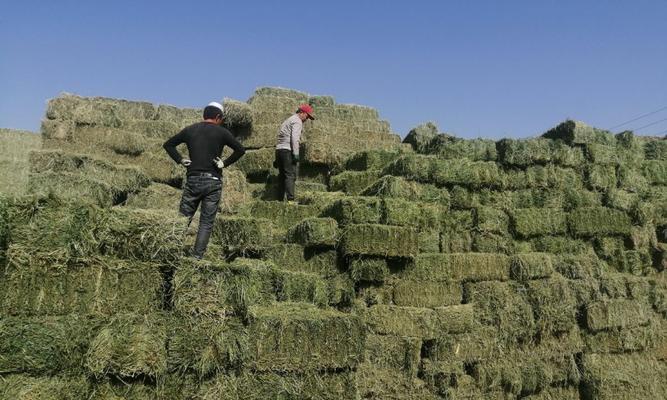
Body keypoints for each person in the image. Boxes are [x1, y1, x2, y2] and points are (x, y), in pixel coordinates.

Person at [163, 101, 246, 259]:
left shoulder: (190, 130)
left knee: (183, 219)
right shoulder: (222, 132)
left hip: (192, 180)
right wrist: (224, 163)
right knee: (206, 222)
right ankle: (196, 258)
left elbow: (168, 145)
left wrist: (180, 159)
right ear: (218, 117)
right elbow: (240, 150)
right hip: (212, 180)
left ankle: (172, 253)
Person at [274, 104, 315, 202]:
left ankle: (279, 200)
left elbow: (280, 136)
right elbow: (295, 139)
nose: (307, 119)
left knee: (282, 176)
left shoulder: (288, 120)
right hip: (287, 150)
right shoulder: (297, 121)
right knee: (290, 175)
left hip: (279, 150)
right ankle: (291, 200)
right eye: (307, 116)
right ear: (302, 112)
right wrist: (296, 154)